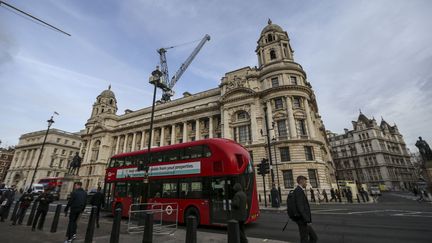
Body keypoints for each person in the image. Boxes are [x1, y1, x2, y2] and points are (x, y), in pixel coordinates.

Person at [293, 176, 318, 243]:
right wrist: (307, 220)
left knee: (313, 237)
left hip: (303, 220)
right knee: (305, 239)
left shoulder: (299, 190)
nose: (306, 183)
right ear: (301, 181)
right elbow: (300, 207)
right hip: (303, 220)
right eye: (305, 181)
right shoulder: (298, 191)